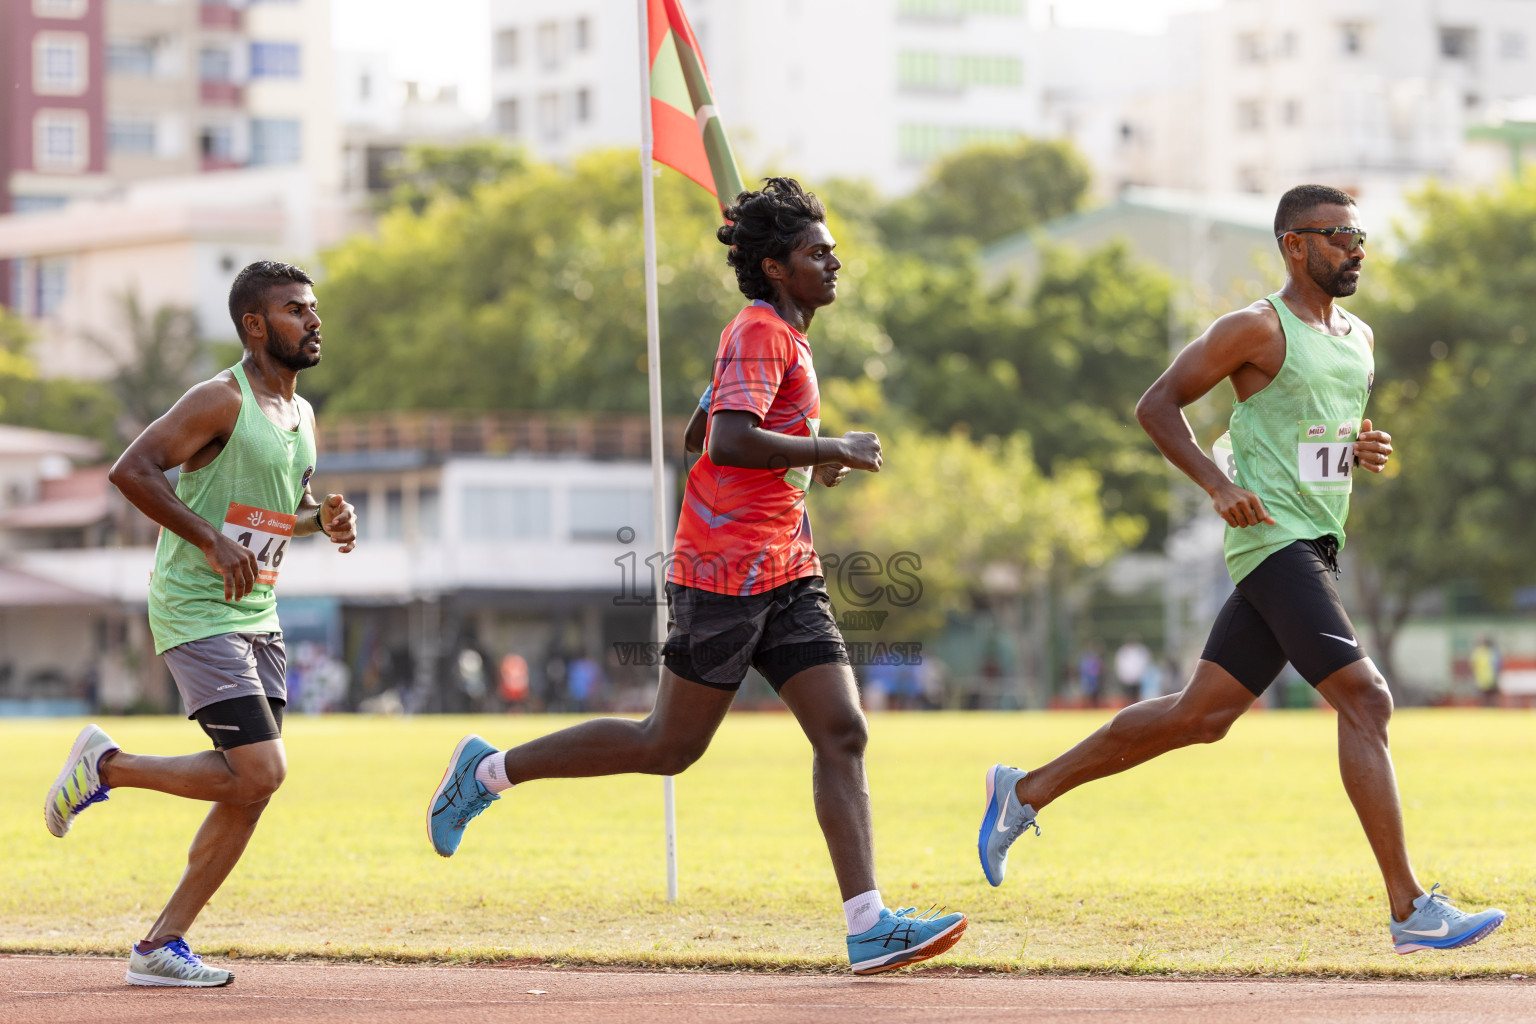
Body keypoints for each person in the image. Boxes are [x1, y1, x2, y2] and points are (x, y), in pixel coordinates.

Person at [428, 178, 966, 975]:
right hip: (723, 574)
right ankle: (486, 772)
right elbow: (723, 443)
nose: (834, 263)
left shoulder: (778, 336)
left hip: (788, 569)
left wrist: (800, 460)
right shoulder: (759, 331)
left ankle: (868, 925)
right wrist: (832, 448)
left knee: (843, 731)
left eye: (832, 251)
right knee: (668, 746)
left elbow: (699, 428)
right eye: (818, 253)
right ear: (776, 267)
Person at [977, 185, 1506, 955]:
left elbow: (1310, 437)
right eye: (1339, 235)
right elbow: (1157, 405)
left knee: (1202, 717)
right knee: (1367, 698)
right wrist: (1216, 486)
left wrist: (1358, 450)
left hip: (1317, 541)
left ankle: (1023, 791)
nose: (1356, 248)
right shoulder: (1255, 327)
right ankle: (1410, 908)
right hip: (1271, 542)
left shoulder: (1359, 337)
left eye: (1361, 236)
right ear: (1295, 244)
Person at [42, 261, 358, 987]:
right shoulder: (221, 399)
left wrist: (323, 521)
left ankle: (160, 946)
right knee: (262, 770)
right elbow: (132, 470)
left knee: (251, 789)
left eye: (313, 308)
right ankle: (106, 767)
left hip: (258, 609)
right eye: (295, 310)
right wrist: (210, 541)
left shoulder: (303, 416)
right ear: (255, 325)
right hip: (195, 606)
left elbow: (278, 513)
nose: (313, 321)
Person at [1469, 636, 1501, 707]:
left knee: (1487, 696)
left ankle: (1488, 708)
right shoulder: (1490, 652)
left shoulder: (1479, 652)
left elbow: (1473, 664)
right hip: (1486, 677)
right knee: (1487, 696)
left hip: (1487, 678)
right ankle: (1488, 708)